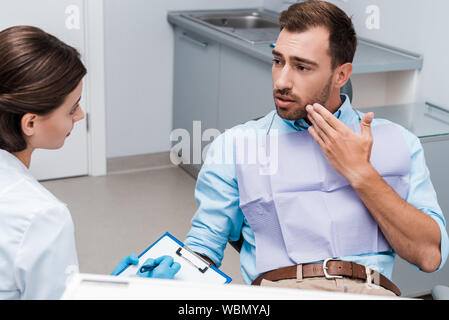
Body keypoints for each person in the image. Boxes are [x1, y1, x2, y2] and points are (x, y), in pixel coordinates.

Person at [184, 0, 448, 296]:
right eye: (278, 61)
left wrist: (362, 173)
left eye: (302, 67)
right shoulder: (235, 146)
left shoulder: (399, 142)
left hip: (372, 291)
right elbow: (203, 246)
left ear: (341, 75)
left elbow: (429, 256)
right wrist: (158, 278)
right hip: (283, 292)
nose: (282, 81)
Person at [0, 26, 180, 300]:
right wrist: (139, 294)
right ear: (30, 122)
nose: (80, 115)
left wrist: (92, 288)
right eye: (72, 108)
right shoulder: (41, 216)